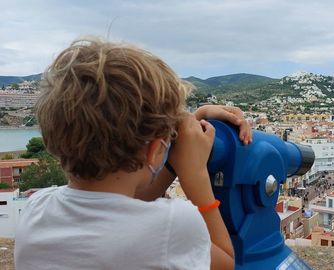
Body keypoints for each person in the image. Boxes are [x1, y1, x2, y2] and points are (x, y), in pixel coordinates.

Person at [14, 38, 252, 270]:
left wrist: (187, 125)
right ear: (154, 150)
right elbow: (225, 261)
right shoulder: (172, 226)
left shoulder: (36, 209)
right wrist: (194, 173)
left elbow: (122, 208)